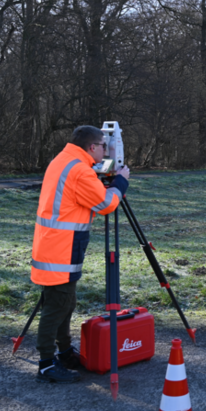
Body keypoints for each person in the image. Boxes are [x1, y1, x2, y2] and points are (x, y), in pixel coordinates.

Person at [31, 125, 130, 383]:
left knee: (66, 301)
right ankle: (46, 364)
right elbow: (106, 204)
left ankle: (63, 352)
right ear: (92, 147)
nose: (106, 151)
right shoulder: (79, 170)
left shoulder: (65, 160)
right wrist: (121, 182)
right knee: (57, 305)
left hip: (56, 245)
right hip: (61, 248)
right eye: (103, 146)